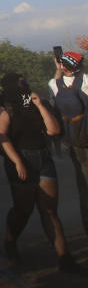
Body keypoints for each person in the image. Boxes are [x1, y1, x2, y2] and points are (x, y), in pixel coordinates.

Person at [0, 72, 79, 273]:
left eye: (25, 82)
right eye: (20, 83)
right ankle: (10, 241)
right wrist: (18, 162)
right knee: (23, 210)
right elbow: (1, 136)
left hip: (43, 156)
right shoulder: (3, 105)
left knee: (49, 210)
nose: (24, 86)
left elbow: (54, 130)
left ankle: (64, 259)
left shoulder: (36, 101)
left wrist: (40, 105)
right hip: (20, 157)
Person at [47, 48, 88, 239]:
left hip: (75, 142)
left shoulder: (54, 84)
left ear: (62, 65)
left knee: (83, 185)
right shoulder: (85, 80)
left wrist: (58, 68)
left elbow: (55, 83)